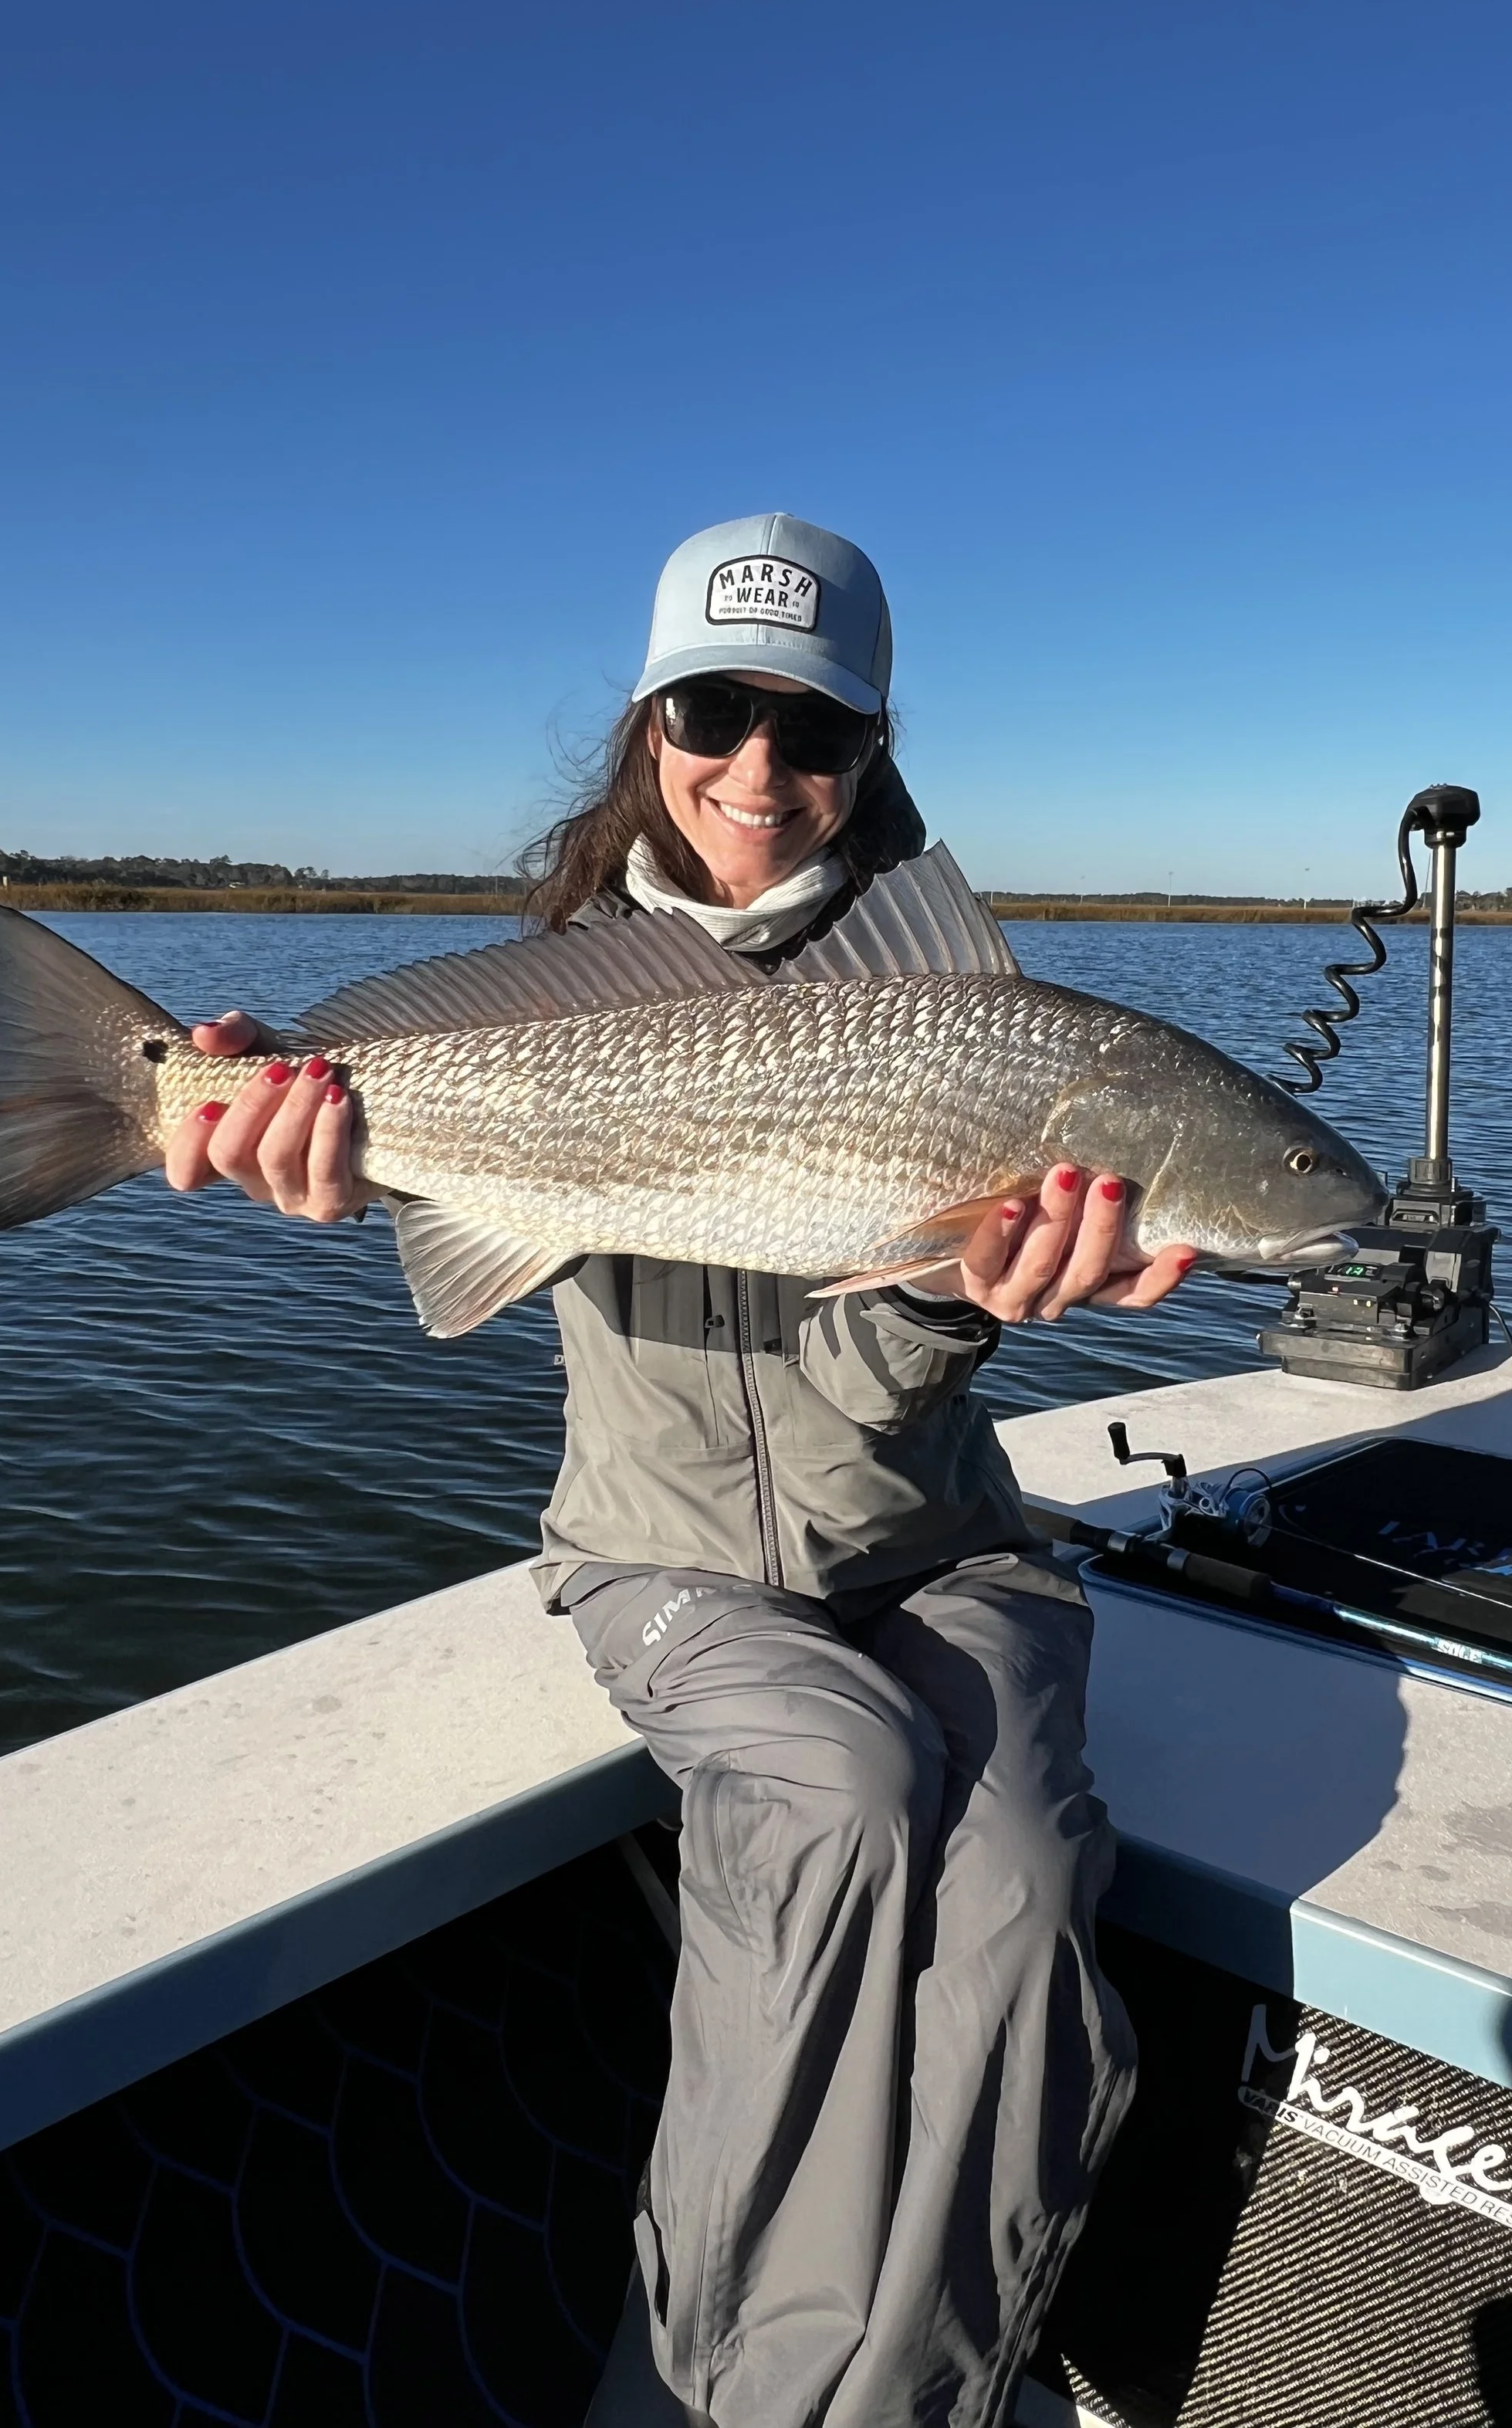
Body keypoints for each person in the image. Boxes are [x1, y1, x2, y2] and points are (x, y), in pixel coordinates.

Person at [164, 515, 1195, 2428]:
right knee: (839, 1787)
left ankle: (908, 2396)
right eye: (714, 711)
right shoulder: (556, 988)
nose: (755, 770)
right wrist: (256, 1109)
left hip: (943, 1550)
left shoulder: (968, 1014)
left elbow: (881, 1387)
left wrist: (970, 1297)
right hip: (669, 1564)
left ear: (870, 757)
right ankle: (716, 2389)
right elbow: (413, 1174)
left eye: (810, 733)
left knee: (1028, 1881)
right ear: (649, 724)